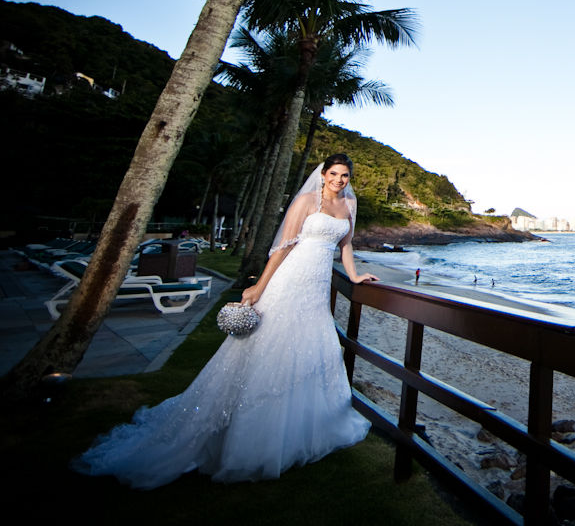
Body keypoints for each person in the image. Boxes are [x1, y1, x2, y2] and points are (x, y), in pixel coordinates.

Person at [72, 153, 378, 489]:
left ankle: (301, 427)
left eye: (345, 175)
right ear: (322, 175)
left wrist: (355, 275)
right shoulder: (307, 201)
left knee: (310, 348)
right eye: (333, 173)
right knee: (268, 347)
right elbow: (283, 247)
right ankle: (245, 433)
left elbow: (345, 246)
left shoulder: (348, 206)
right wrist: (260, 286)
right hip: (290, 279)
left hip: (317, 288)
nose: (338, 180)